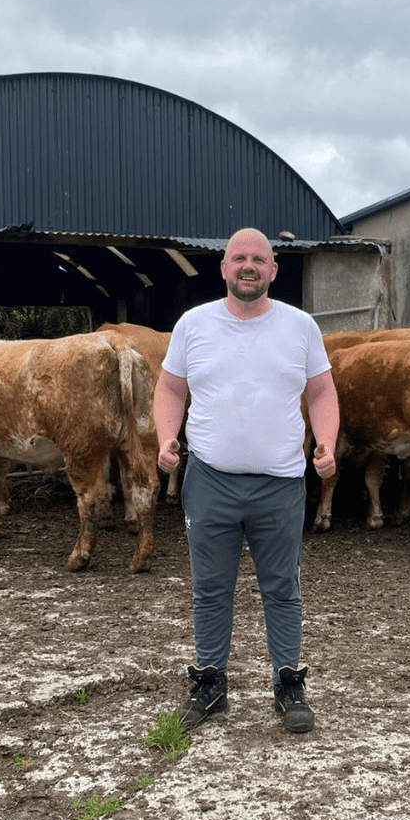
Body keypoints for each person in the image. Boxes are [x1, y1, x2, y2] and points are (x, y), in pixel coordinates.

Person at [153, 227, 339, 734]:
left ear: (274, 270)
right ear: (224, 268)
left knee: (282, 587)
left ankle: (287, 683)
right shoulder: (193, 325)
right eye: (239, 258)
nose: (248, 266)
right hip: (210, 479)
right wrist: (166, 438)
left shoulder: (300, 327)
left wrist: (325, 442)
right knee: (211, 588)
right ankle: (210, 683)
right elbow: (170, 388)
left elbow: (322, 392)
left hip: (280, 481)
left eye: (259, 258)